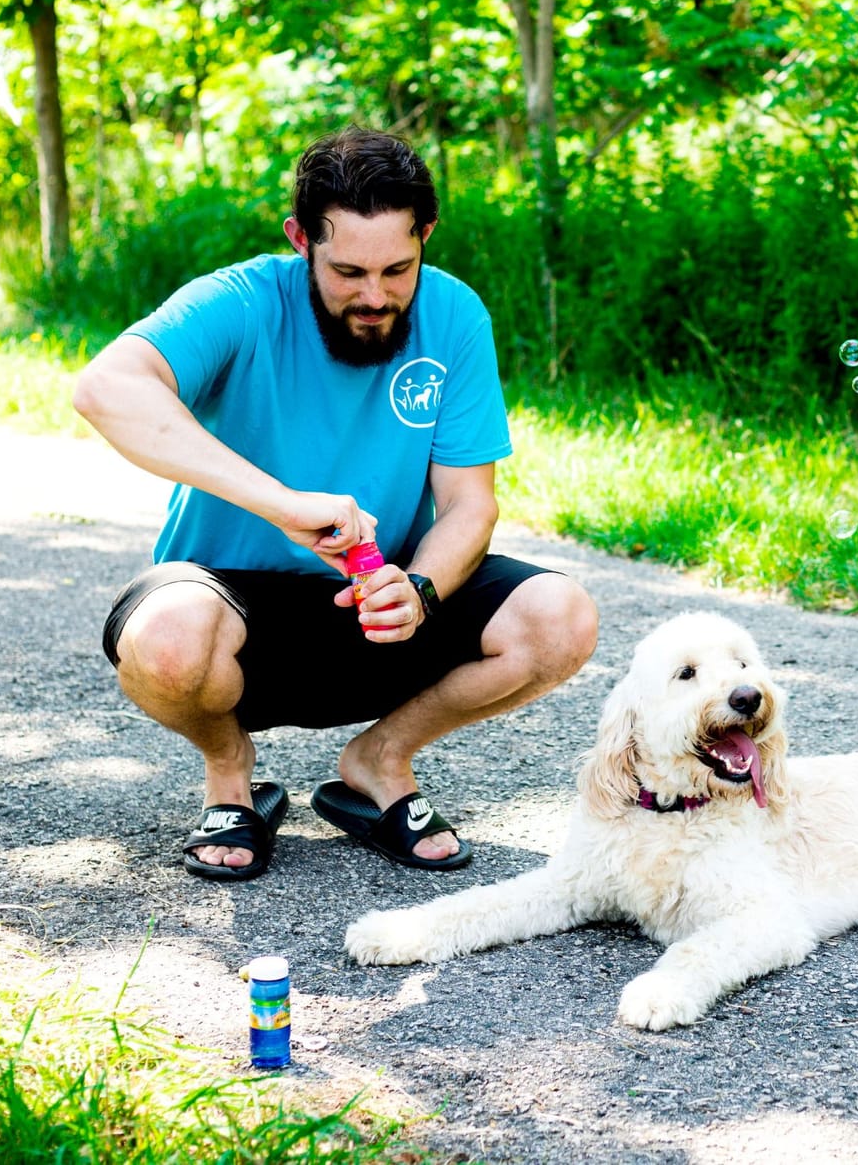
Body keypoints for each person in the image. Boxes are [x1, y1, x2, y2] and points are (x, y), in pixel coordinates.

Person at [74, 127, 599, 882]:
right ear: (301, 241)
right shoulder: (241, 300)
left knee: (561, 617)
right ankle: (230, 775)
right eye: (349, 271)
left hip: (380, 605)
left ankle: (379, 761)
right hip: (231, 614)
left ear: (425, 235)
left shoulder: (456, 316)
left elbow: (469, 506)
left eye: (398, 269)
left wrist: (420, 589)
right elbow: (105, 388)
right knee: (165, 639)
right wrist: (282, 505)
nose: (375, 296)